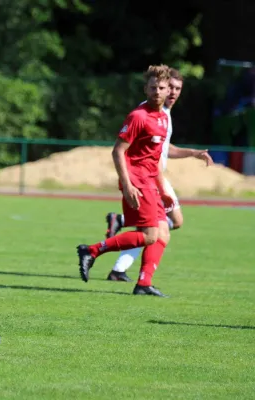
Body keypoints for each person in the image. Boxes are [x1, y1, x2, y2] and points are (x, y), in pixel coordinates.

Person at [104, 69, 214, 282]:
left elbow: (165, 149)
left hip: (155, 175)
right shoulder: (146, 112)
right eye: (168, 87)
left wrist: (193, 153)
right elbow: (123, 149)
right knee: (157, 228)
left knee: (158, 227)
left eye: (177, 88)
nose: (172, 92)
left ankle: (119, 265)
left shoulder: (165, 115)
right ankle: (127, 271)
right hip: (148, 177)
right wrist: (130, 182)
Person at [76, 64, 174, 297]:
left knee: (163, 233)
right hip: (138, 180)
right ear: (145, 89)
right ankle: (91, 250)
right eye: (153, 87)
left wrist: (164, 188)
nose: (157, 92)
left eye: (161, 87)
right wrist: (128, 184)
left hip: (151, 181)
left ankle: (143, 283)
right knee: (150, 235)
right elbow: (118, 151)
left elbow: (155, 158)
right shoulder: (138, 116)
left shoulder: (163, 118)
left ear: (168, 89)